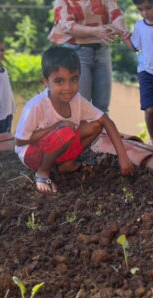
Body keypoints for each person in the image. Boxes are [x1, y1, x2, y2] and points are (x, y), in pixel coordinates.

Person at [14, 46, 133, 193]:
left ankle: (65, 164)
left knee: (96, 125)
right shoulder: (36, 106)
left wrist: (122, 156)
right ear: (46, 81)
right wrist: (56, 127)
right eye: (59, 81)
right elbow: (20, 141)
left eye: (74, 79)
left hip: (57, 149)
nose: (68, 88)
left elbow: (105, 120)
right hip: (33, 155)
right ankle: (43, 172)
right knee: (65, 131)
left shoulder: (77, 100)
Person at [48, 0, 126, 113]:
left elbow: (117, 14)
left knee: (102, 107)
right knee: (79, 106)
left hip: (102, 51)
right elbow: (66, 25)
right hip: (76, 53)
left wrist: (118, 29)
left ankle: (100, 132)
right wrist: (96, 31)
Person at [121, 0, 153, 148]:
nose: (144, 13)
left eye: (148, 8)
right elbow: (135, 47)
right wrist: (125, 38)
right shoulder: (140, 26)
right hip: (146, 71)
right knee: (150, 108)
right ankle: (152, 138)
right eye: (140, 9)